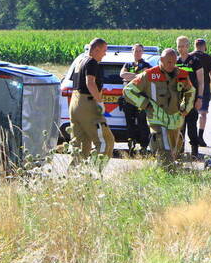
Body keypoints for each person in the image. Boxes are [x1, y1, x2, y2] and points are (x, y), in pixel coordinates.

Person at [123, 48, 195, 168]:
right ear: (161, 60)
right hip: (157, 118)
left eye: (174, 62)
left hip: (175, 120)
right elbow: (128, 91)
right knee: (163, 146)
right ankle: (168, 172)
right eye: (168, 62)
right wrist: (145, 104)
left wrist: (186, 107)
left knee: (173, 151)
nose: (172, 65)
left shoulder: (182, 74)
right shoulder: (149, 74)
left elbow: (191, 91)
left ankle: (163, 172)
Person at [68, 38, 115, 168]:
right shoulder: (92, 62)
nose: (105, 54)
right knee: (106, 141)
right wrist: (99, 102)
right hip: (87, 104)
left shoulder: (80, 61)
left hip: (75, 103)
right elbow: (90, 82)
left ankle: (73, 175)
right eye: (104, 50)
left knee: (81, 145)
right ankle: (94, 173)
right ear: (96, 49)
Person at [118, 43, 152, 154]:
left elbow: (145, 76)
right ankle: (131, 145)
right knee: (130, 123)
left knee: (142, 123)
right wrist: (138, 75)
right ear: (132, 52)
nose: (137, 53)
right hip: (128, 99)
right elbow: (122, 75)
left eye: (139, 51)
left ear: (142, 52)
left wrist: (132, 75)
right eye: (135, 50)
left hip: (141, 99)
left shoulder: (146, 64)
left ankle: (143, 146)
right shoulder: (128, 64)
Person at [176, 36, 205, 158]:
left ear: (188, 46)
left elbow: (201, 82)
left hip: (192, 99)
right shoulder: (175, 61)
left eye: (183, 46)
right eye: (179, 46)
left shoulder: (195, 61)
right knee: (179, 127)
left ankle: (194, 151)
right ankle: (179, 151)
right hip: (177, 99)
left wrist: (199, 98)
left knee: (192, 127)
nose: (181, 49)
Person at [192, 38, 211, 147]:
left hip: (191, 86)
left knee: (191, 113)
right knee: (203, 113)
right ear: (204, 46)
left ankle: (192, 136)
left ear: (195, 46)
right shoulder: (207, 57)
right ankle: (200, 136)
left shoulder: (189, 56)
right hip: (205, 86)